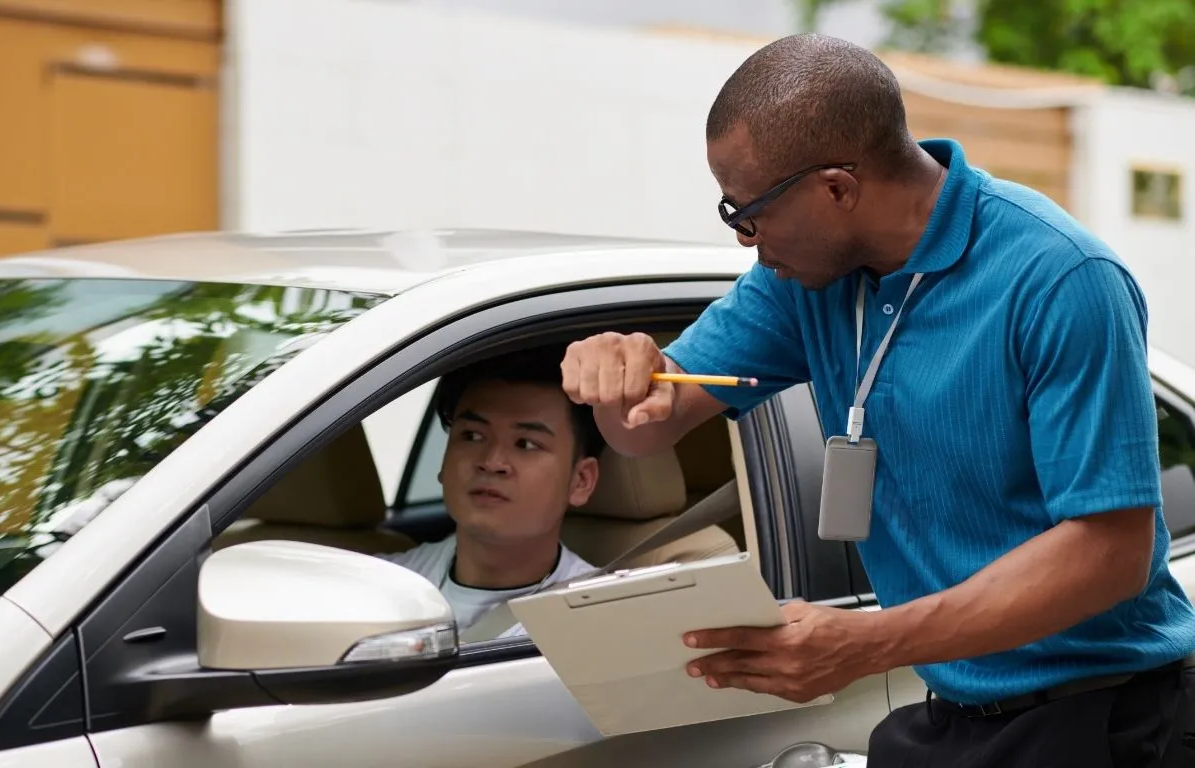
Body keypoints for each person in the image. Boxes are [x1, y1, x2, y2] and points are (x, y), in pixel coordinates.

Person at [560, 33, 1195, 768]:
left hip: (1104, 720)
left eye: (746, 212)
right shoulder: (801, 283)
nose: (744, 240)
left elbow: (1110, 552)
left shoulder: (1061, 277)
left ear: (837, 188)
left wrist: (867, 644)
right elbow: (645, 428)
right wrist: (614, 377)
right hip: (948, 716)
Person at [382, 345, 604, 639]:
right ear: (444, 461)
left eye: (526, 444)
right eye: (472, 436)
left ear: (581, 481)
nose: (491, 461)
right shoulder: (382, 587)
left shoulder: (601, 621)